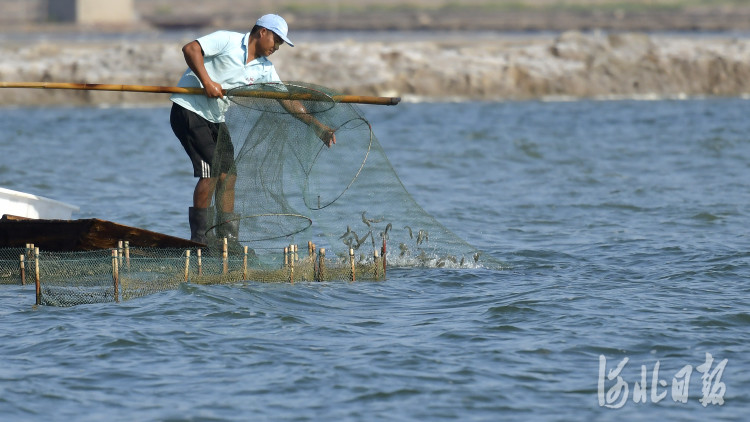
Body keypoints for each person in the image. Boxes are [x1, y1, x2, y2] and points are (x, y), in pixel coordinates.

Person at [170, 14, 335, 247]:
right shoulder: (227, 40)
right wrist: (207, 82)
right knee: (212, 173)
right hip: (189, 110)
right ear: (262, 32)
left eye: (281, 44)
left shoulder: (265, 69)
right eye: (276, 40)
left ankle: (227, 239)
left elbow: (285, 99)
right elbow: (190, 49)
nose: (277, 47)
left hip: (215, 118)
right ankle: (199, 240)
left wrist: (317, 127)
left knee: (229, 175)